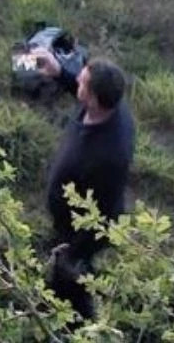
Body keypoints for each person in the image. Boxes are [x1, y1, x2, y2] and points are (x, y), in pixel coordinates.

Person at [32, 53, 135, 322]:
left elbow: (105, 215)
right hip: (67, 222)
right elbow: (79, 86)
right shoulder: (108, 106)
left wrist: (73, 250)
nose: (77, 79)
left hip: (81, 232)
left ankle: (76, 326)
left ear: (95, 99)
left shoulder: (109, 155)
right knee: (65, 277)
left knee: (69, 282)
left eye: (82, 82)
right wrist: (60, 73)